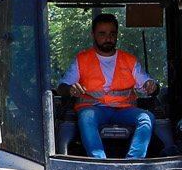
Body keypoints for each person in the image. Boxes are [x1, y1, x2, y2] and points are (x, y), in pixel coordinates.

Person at [62, 12, 158, 159]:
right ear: (93, 35)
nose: (108, 38)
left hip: (124, 111)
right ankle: (98, 159)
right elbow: (62, 88)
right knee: (86, 116)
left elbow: (148, 84)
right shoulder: (81, 60)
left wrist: (151, 85)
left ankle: (134, 161)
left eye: (112, 33)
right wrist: (70, 89)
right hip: (94, 110)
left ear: (117, 34)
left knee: (146, 117)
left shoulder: (130, 60)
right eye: (102, 34)